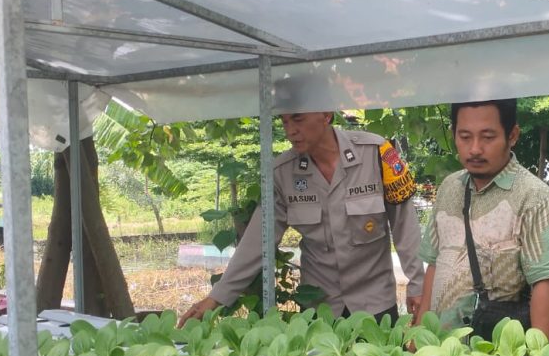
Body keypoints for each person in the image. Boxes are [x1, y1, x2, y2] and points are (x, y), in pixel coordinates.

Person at [179, 81, 424, 326]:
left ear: (326, 115)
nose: (290, 131)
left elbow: (405, 227)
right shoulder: (282, 174)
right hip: (320, 309)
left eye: (298, 119)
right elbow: (257, 243)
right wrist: (216, 298)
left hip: (375, 304)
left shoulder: (376, 153)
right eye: (284, 121)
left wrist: (418, 284)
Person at [416, 99, 549, 341]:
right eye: (465, 137)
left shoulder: (536, 199)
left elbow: (546, 285)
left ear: (513, 135)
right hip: (439, 355)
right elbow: (434, 265)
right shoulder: (449, 188)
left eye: (487, 137)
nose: (475, 149)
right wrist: (419, 336)